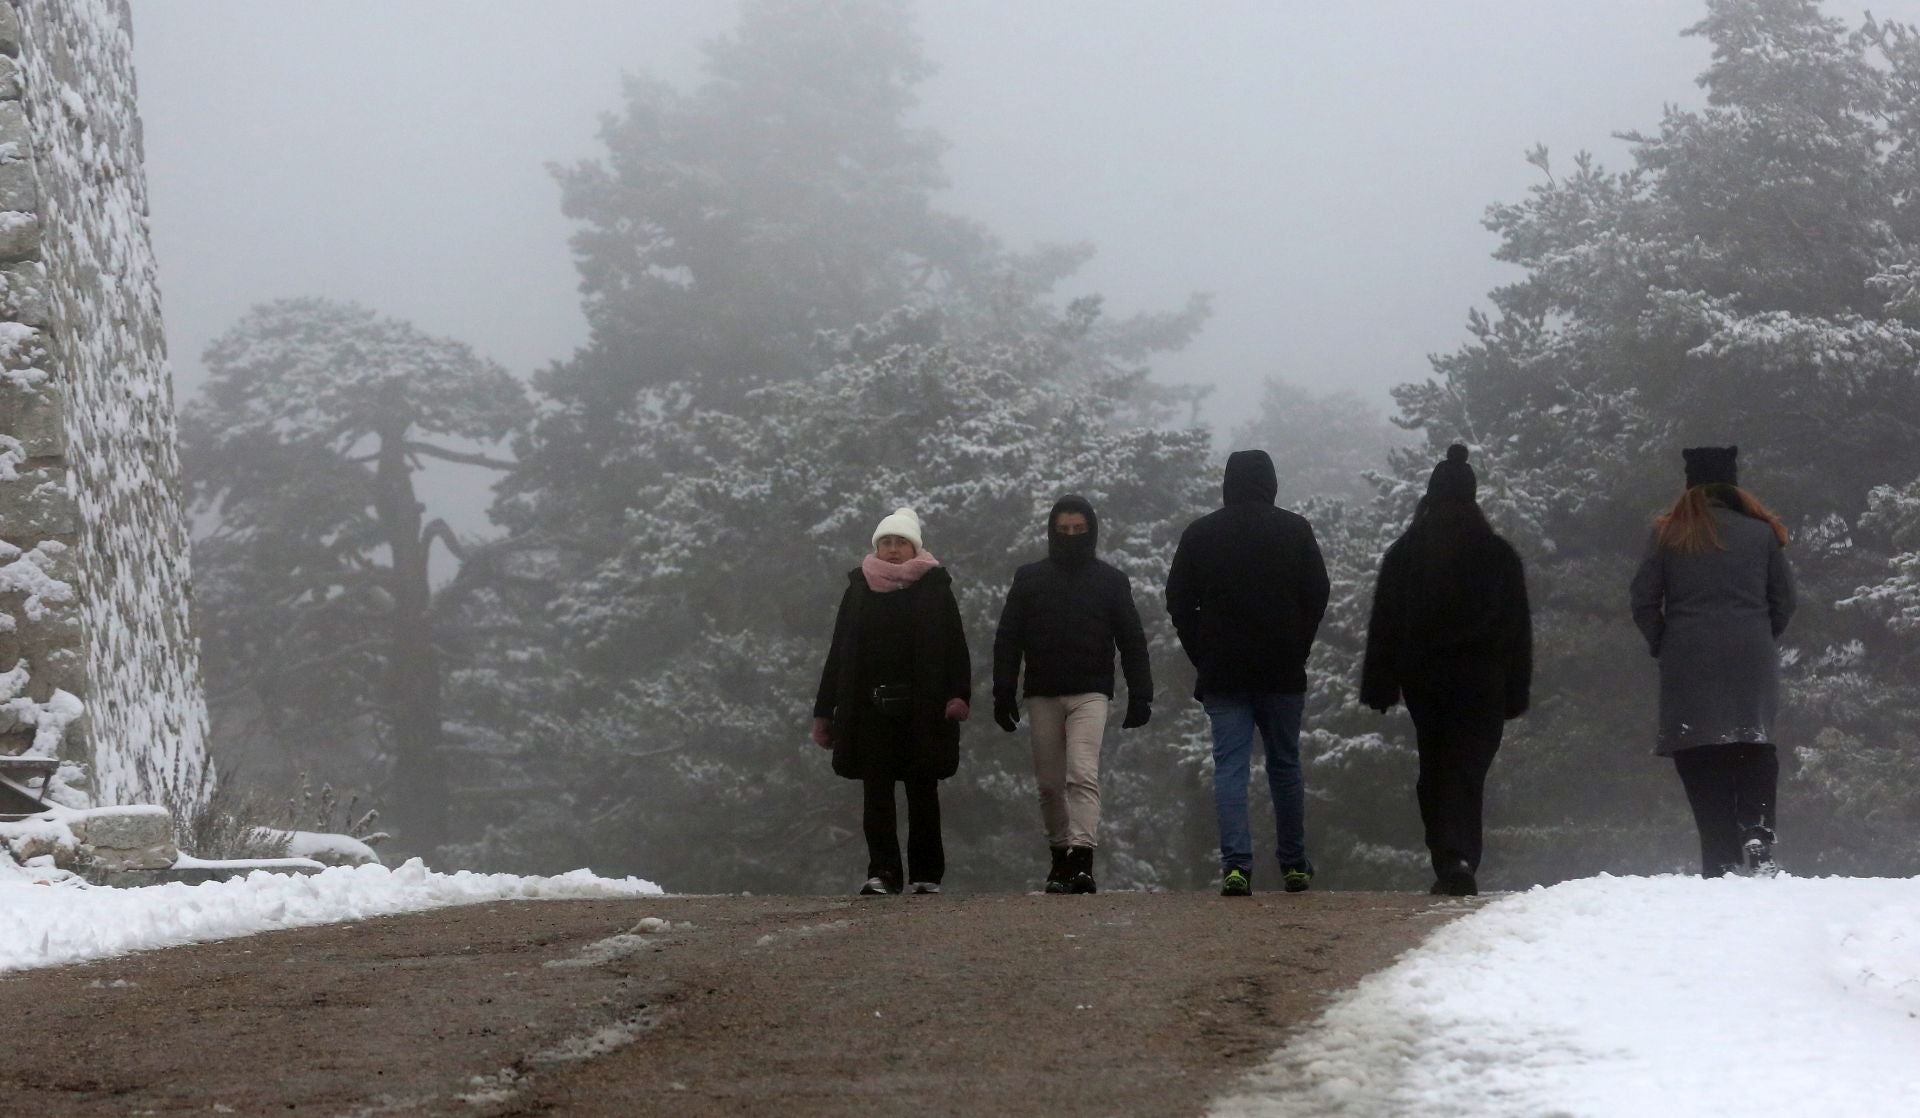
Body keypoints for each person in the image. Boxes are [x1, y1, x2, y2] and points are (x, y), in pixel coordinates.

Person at [1359, 445, 1532, 897]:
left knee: (1436, 765)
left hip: (1426, 681)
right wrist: (1516, 690)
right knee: (1468, 770)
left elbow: (1386, 623)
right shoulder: (1498, 556)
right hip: (1483, 684)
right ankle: (1460, 856)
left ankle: (1449, 856)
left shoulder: (1405, 555)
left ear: (1431, 495)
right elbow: (1518, 631)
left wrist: (1381, 683)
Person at [1165, 450, 1330, 896]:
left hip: (1224, 672)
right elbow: (1318, 592)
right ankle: (1294, 863)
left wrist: (1203, 652)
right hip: (1282, 669)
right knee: (1285, 764)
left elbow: (1177, 599)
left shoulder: (1201, 534)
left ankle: (1237, 866)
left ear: (1227, 483)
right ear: (1271, 483)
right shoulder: (1295, 530)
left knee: (1230, 767)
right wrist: (1298, 645)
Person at [1630, 446, 1795, 878]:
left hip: (1688, 656)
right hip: (1751, 653)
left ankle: (1720, 856)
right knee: (1753, 741)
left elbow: (1643, 600)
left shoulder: (1667, 535)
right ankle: (1757, 829)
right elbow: (1785, 600)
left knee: (1700, 750)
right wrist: (1759, 635)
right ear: (1732, 484)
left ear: (1691, 486)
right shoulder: (1762, 534)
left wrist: (1665, 642)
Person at [992, 495, 1153, 895]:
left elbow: (1131, 640)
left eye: (1078, 530)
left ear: (1091, 531)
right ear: (1052, 531)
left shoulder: (1111, 581)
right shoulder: (1029, 578)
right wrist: (1003, 690)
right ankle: (1059, 857)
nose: (1071, 536)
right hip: (1042, 693)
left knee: (1082, 773)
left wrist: (1141, 694)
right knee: (1048, 784)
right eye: (1063, 530)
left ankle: (1082, 860)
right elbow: (1008, 638)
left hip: (1090, 693)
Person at [812, 507, 972, 895]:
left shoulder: (935, 589)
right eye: (887, 542)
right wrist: (824, 711)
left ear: (915, 547)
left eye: (901, 542)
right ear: (876, 547)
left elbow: (956, 648)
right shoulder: (858, 591)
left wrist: (958, 695)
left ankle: (926, 875)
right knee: (877, 793)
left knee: (922, 791)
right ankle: (883, 872)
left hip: (924, 708)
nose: (893, 549)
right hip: (870, 708)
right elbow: (840, 652)